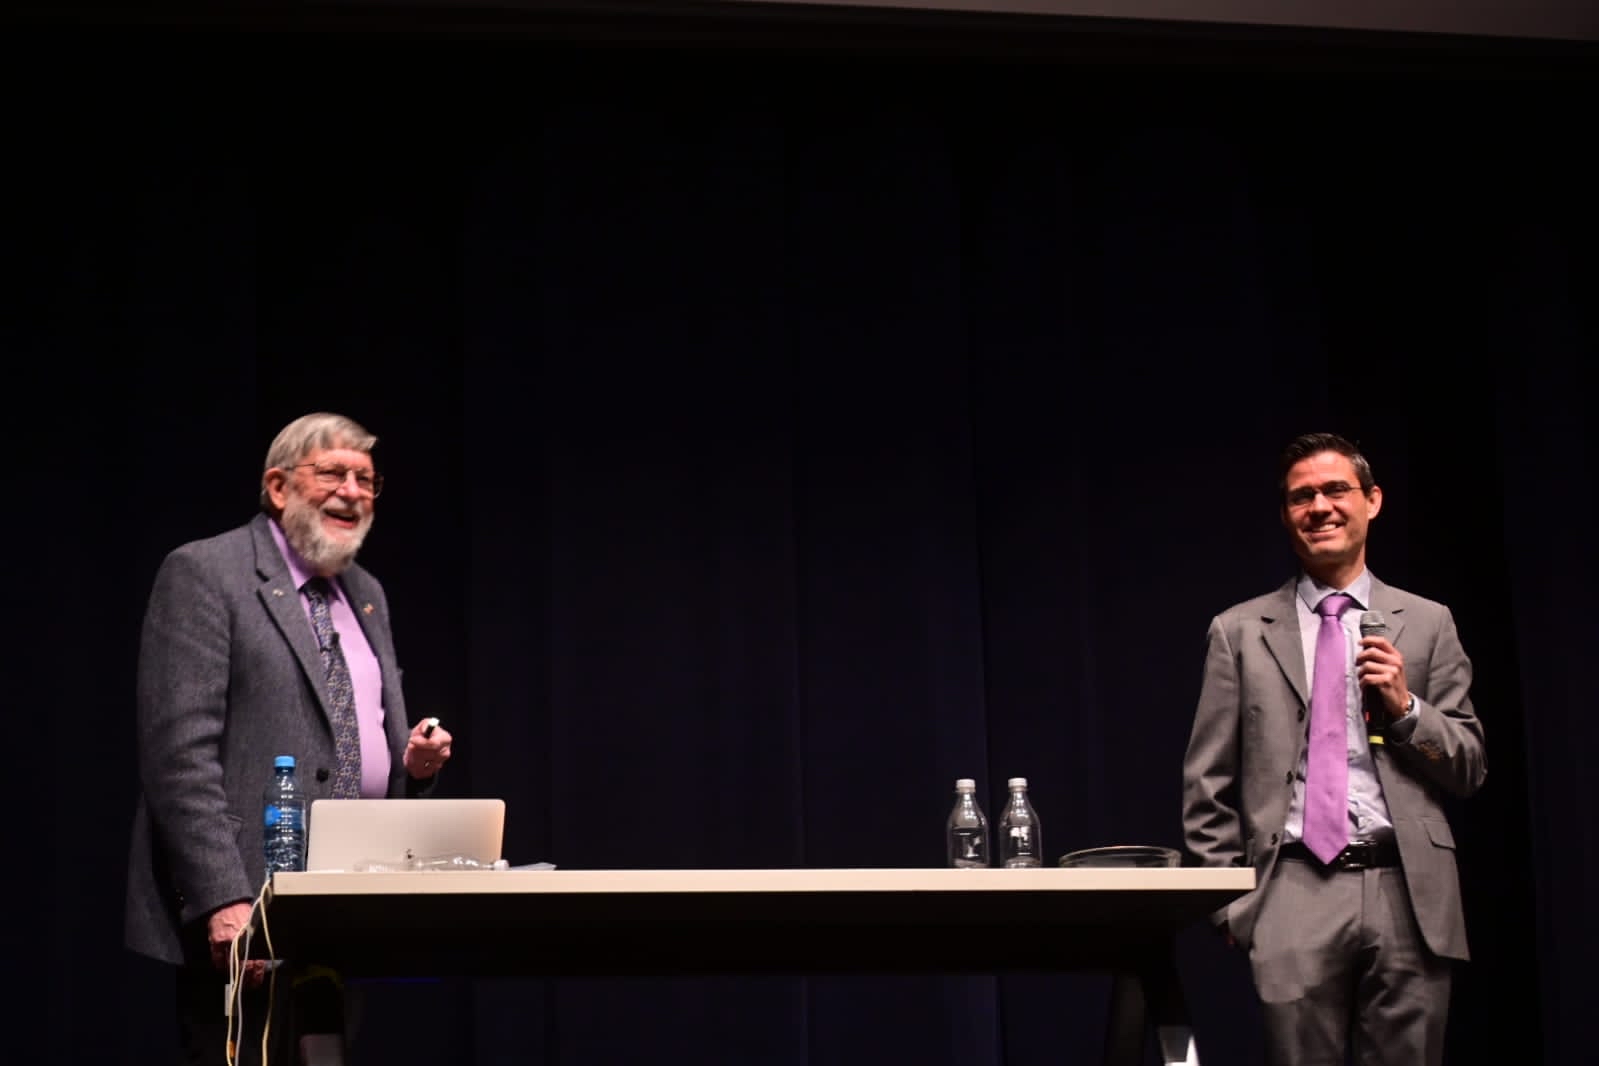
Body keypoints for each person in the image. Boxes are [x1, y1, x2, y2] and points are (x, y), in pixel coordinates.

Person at [125, 411, 454, 1066]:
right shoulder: (206, 573)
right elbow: (178, 756)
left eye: (366, 478)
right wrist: (223, 894)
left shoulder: (365, 594)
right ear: (278, 487)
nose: (353, 492)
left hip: (342, 905)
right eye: (332, 472)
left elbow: (354, 744)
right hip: (248, 907)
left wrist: (414, 769)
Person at [1181, 432, 1486, 1066]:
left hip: (1408, 889)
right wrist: (1232, 907)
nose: (1319, 506)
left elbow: (1468, 765)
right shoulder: (1238, 631)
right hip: (1290, 884)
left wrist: (1406, 708)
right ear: (1287, 515)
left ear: (1372, 502)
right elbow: (1206, 784)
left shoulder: (1429, 622)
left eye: (1335, 490)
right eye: (1301, 497)